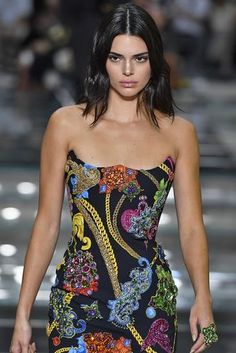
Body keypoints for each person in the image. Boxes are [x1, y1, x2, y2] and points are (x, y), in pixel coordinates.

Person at [10, 3, 218, 353]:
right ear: (101, 59)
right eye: (116, 57)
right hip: (76, 304)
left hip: (149, 306)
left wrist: (204, 298)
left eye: (139, 58)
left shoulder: (179, 133)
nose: (127, 70)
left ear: (155, 60)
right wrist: (22, 312)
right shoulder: (65, 124)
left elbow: (192, 226)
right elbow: (46, 222)